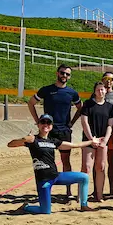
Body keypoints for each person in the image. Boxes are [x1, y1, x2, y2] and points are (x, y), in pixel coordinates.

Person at [7, 114, 98, 214]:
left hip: (56, 176)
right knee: (45, 211)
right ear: (38, 125)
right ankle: (26, 207)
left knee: (84, 177)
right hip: (43, 180)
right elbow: (10, 144)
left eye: (48, 122)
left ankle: (84, 205)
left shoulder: (53, 141)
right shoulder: (33, 140)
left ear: (51, 126)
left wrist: (91, 142)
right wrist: (24, 139)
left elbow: (74, 145)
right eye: (43, 122)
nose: (45, 124)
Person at [27, 64, 83, 199]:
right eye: (63, 73)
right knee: (47, 163)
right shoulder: (46, 90)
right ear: (57, 73)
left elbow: (81, 107)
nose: (64, 76)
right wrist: (38, 121)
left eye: (67, 74)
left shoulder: (72, 93)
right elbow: (31, 103)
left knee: (65, 161)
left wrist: (72, 123)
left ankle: (68, 192)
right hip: (48, 132)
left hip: (64, 131)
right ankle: (47, 190)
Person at [80, 82, 113, 202]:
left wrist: (105, 139)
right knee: (87, 167)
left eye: (102, 89)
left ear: (106, 91)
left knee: (101, 167)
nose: (101, 91)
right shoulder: (88, 104)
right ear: (94, 91)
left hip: (102, 140)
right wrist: (91, 139)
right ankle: (81, 195)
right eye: (98, 89)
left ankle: (99, 195)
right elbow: (84, 122)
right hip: (89, 140)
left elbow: (110, 125)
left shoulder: (109, 106)